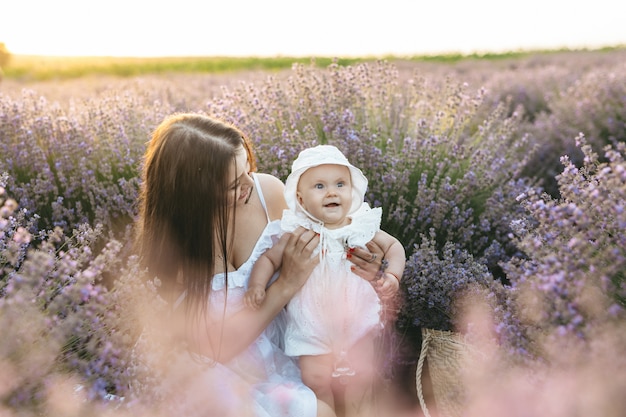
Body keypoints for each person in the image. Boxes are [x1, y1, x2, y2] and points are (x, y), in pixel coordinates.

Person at [134, 114, 387, 417]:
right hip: (212, 369)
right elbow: (216, 349)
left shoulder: (269, 193)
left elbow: (329, 244)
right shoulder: (173, 249)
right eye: (232, 185)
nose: (247, 186)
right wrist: (285, 285)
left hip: (289, 346)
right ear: (193, 194)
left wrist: (360, 267)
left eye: (247, 170)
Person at [243, 145, 405, 417]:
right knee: (315, 380)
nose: (332, 192)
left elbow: (394, 247)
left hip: (356, 321)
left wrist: (392, 276)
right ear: (301, 200)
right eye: (319, 186)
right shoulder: (297, 232)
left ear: (351, 191)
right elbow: (269, 260)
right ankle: (325, 409)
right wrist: (256, 286)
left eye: (340, 184)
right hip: (311, 325)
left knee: (360, 383)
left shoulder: (359, 226)